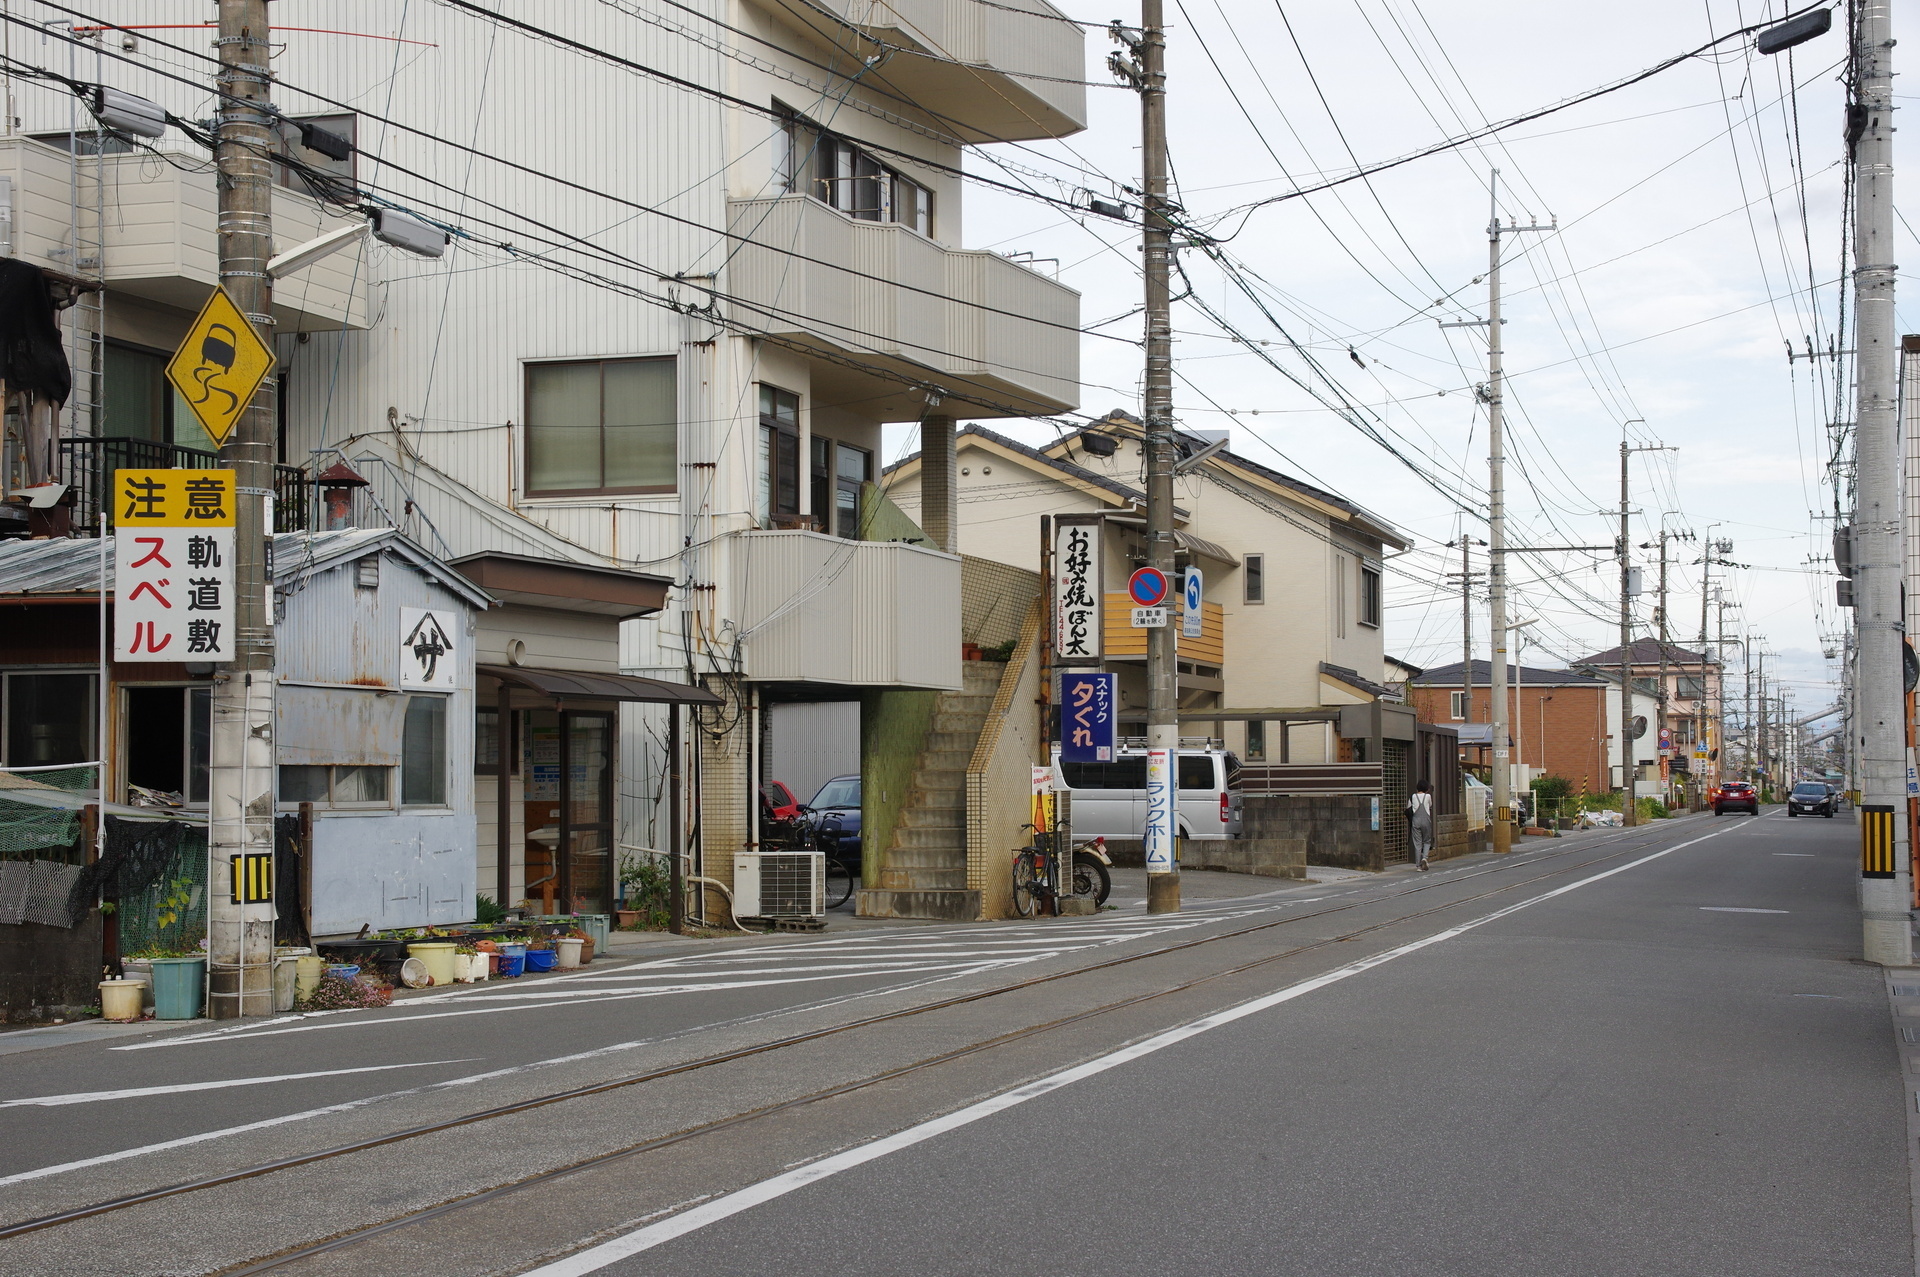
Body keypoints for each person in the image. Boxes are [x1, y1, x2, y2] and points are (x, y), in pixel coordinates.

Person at [1406, 781, 1435, 871]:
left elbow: (1408, 808)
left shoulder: (1413, 796)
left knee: (1417, 844)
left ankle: (1418, 866)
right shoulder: (1428, 796)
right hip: (1426, 820)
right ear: (1426, 788)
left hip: (1416, 821)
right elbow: (1430, 805)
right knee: (1427, 841)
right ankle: (1424, 858)